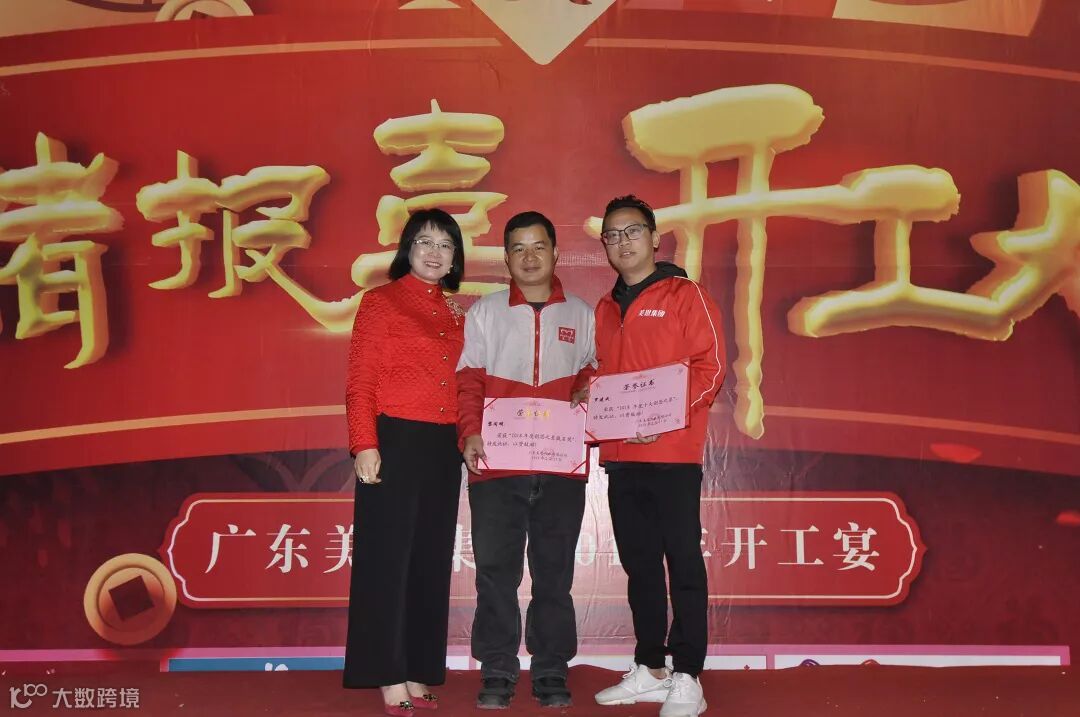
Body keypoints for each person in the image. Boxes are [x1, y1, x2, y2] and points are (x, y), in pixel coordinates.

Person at [590, 196, 726, 717]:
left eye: (631, 231)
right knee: (640, 566)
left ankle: (688, 673)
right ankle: (650, 667)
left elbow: (711, 369)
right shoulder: (605, 309)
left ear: (654, 237)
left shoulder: (686, 295)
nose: (622, 242)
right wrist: (587, 394)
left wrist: (663, 418)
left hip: (672, 455)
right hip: (621, 456)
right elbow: (600, 374)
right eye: (612, 235)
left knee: (683, 562)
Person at [456, 211, 596, 709]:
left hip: (560, 464)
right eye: (518, 248)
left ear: (556, 252)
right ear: (506, 257)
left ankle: (551, 667)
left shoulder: (581, 314)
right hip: (497, 463)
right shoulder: (486, 312)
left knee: (554, 574)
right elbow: (469, 379)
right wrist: (469, 431)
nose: (529, 257)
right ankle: (497, 668)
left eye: (539, 247)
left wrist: (587, 387)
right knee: (495, 573)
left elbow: (595, 371)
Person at [343, 208, 468, 716]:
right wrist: (364, 444)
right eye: (424, 242)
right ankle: (387, 673)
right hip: (393, 439)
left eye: (445, 244)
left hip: (443, 446)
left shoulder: (457, 313)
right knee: (387, 561)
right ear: (407, 249)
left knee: (429, 561)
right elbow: (360, 381)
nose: (434, 253)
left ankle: (418, 668)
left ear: (455, 257)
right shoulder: (381, 302)